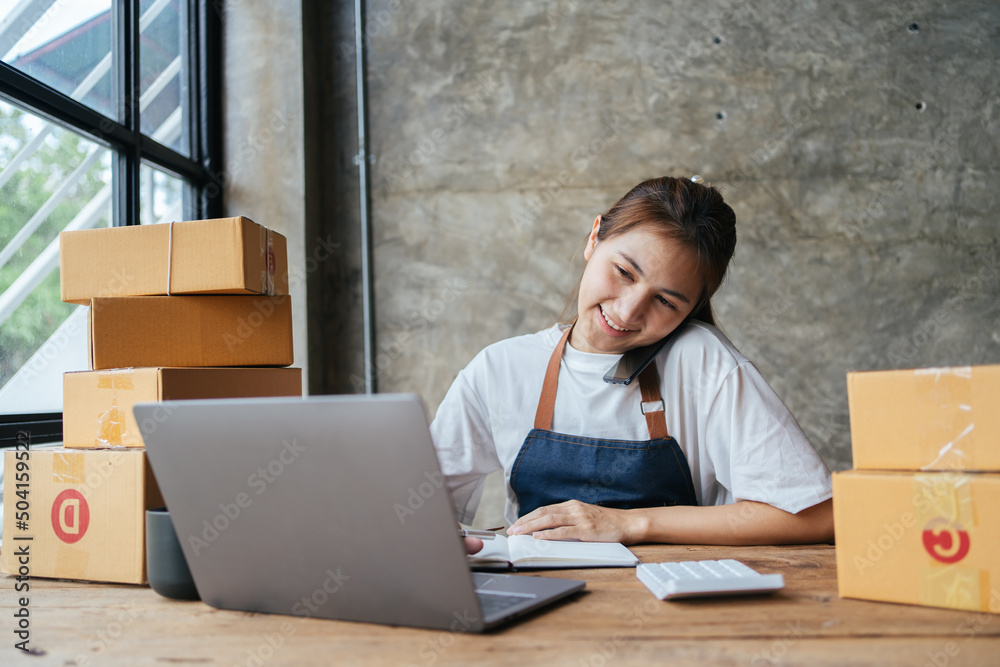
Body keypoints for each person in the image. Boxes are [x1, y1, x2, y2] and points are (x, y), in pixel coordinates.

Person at [432, 176, 833, 546]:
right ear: (594, 237)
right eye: (624, 272)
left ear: (692, 308)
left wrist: (630, 523)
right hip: (537, 604)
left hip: (673, 611)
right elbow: (417, 509)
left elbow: (817, 516)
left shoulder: (702, 362)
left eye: (665, 301)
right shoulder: (500, 368)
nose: (627, 313)